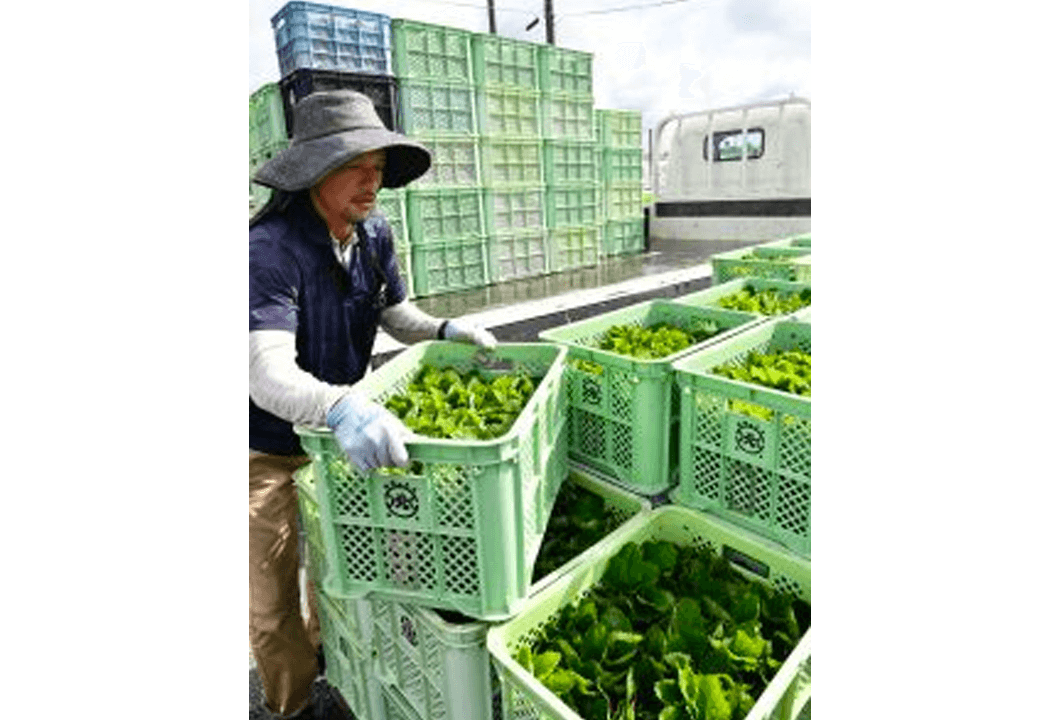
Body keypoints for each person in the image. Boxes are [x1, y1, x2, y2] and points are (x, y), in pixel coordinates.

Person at [248, 89, 497, 719]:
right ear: (314, 172)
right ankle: (292, 706)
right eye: (357, 166)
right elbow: (266, 372)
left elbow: (391, 312)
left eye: (379, 169)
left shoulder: (373, 232)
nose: (373, 182)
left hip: (335, 441)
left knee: (338, 568)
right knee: (270, 598)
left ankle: (334, 658)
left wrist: (442, 330)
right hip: (268, 449)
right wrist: (340, 407)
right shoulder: (268, 249)